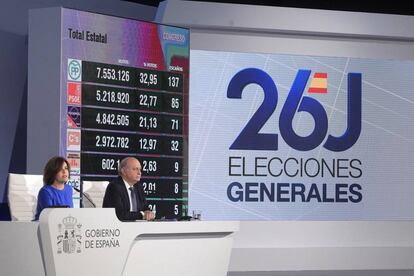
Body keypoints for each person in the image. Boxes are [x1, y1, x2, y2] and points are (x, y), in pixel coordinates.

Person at [103, 157, 155, 221]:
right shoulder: (114, 187)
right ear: (123, 171)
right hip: (119, 227)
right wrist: (142, 215)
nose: (139, 173)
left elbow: (145, 208)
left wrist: (149, 213)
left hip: (137, 227)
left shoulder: (138, 187)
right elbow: (120, 215)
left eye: (140, 169)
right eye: (135, 169)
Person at [34, 156, 73, 220]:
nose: (64, 171)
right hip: (45, 226)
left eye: (66, 168)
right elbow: (49, 216)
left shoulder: (69, 189)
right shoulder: (46, 192)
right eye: (60, 169)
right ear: (52, 172)